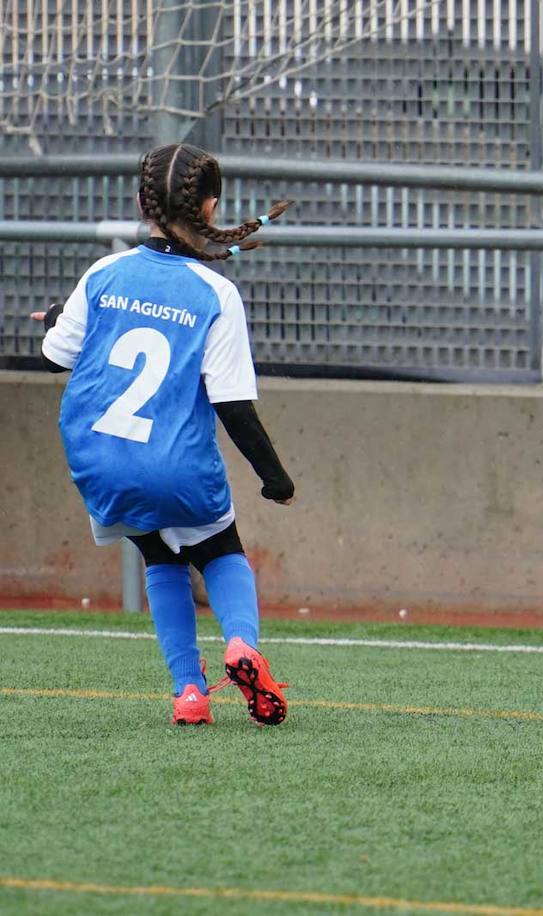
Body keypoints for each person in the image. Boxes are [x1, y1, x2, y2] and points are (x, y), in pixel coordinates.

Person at [35, 143, 294, 727]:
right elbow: (232, 403)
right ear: (211, 206)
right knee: (220, 548)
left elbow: (57, 356)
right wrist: (275, 478)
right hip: (172, 462)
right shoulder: (215, 293)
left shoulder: (105, 271)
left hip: (100, 456)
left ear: (141, 204)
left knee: (159, 555)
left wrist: (56, 316)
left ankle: (189, 692)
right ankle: (243, 648)